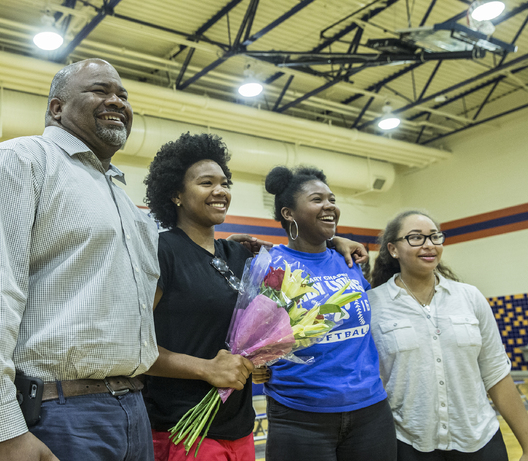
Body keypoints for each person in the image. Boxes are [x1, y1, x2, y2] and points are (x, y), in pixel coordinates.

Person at [0, 59, 159, 461]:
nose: (117, 100)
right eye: (100, 90)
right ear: (57, 108)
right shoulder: (17, 161)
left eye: (123, 95)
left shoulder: (125, 202)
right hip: (56, 413)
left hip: (133, 409)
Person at [142, 135, 369, 461]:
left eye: (224, 183)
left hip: (239, 425)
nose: (220, 191)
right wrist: (205, 369)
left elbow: (296, 252)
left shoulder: (237, 254)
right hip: (181, 428)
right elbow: (131, 348)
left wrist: (335, 242)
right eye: (207, 183)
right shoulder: (161, 251)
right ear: (176, 194)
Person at [260, 165, 397, 461]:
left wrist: (337, 241)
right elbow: (257, 337)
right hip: (300, 415)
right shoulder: (271, 266)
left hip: (370, 411)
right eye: (317, 199)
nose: (330, 206)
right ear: (288, 213)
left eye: (332, 199)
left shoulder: (348, 261)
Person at [368, 210, 528, 461]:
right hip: (408, 443)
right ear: (393, 249)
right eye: (415, 238)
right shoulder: (373, 305)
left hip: (480, 440)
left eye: (435, 237)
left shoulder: (470, 297)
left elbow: (496, 371)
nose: (429, 245)